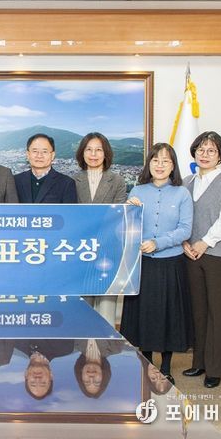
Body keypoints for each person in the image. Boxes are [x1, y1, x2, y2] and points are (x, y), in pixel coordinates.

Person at [119, 143, 193, 385]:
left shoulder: (182, 193)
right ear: (148, 164)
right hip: (142, 263)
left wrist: (158, 243)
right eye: (155, 160)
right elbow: (126, 227)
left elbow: (185, 229)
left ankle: (166, 367)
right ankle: (146, 363)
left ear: (173, 166)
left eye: (165, 161)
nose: (160, 165)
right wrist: (128, 210)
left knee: (168, 315)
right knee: (145, 314)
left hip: (170, 263)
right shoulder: (137, 191)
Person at [181, 132, 221, 389]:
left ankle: (215, 369)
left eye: (211, 151)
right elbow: (181, 217)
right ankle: (199, 362)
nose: (204, 155)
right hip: (191, 254)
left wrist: (204, 242)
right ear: (194, 152)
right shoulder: (186, 182)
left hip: (219, 256)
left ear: (220, 156)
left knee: (216, 311)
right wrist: (184, 243)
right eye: (201, 149)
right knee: (198, 310)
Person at [73, 132, 128, 326]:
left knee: (106, 313)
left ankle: (105, 346)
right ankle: (81, 346)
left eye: (98, 150)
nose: (93, 154)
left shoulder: (117, 181)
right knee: (81, 311)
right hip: (80, 252)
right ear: (82, 153)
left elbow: (118, 217)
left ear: (106, 154)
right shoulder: (73, 180)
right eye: (89, 149)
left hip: (108, 252)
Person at [15, 133, 77, 203]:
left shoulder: (66, 183)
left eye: (44, 151)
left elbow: (69, 210)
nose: (39, 156)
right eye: (35, 151)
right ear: (28, 154)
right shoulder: (15, 181)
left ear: (52, 155)